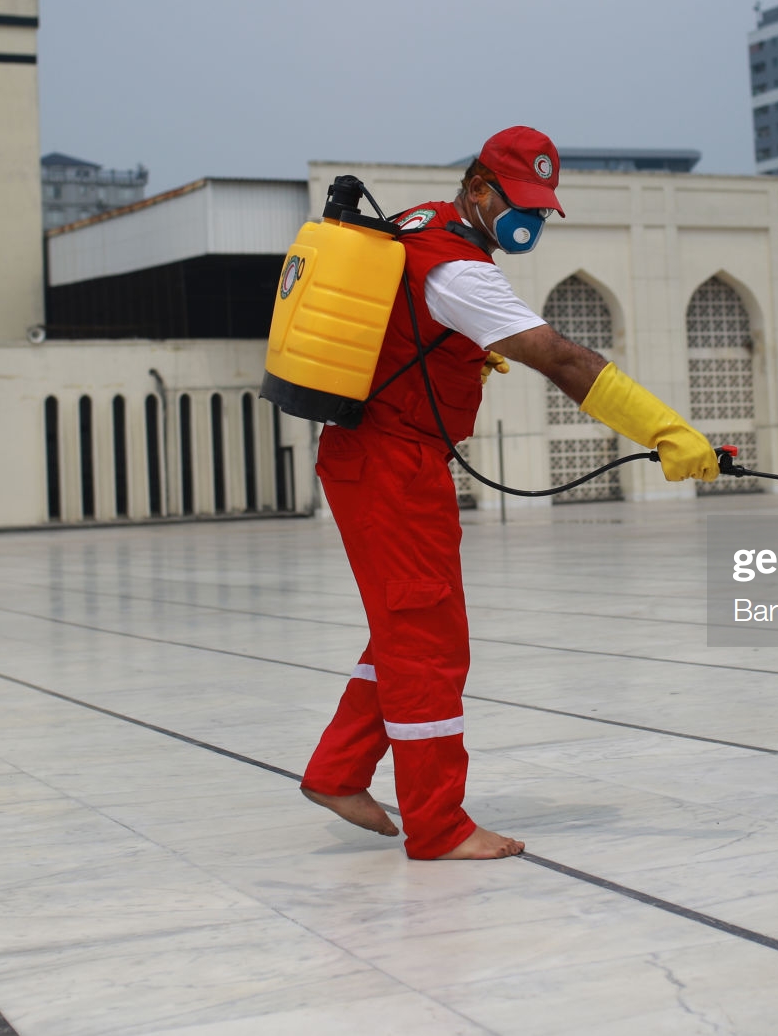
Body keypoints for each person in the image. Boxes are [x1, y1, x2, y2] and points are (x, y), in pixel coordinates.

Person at [299, 125, 720, 860]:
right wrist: (665, 430)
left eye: (540, 207)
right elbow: (561, 358)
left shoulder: (422, 222)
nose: (528, 220)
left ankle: (338, 770)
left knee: (411, 627)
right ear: (479, 189)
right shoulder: (462, 273)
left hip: (381, 455)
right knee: (429, 641)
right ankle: (438, 825)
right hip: (392, 463)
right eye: (518, 202)